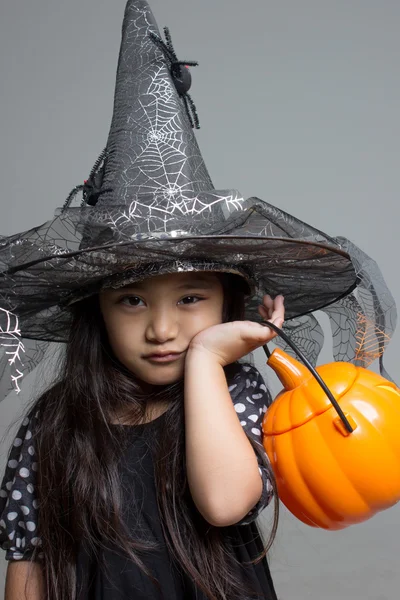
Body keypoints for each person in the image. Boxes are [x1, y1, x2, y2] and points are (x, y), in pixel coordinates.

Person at [0, 1, 396, 599]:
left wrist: (209, 361)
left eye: (189, 298)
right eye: (131, 302)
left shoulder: (237, 395)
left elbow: (222, 503)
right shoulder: (54, 425)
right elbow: (28, 562)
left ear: (227, 305)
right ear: (95, 312)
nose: (162, 328)